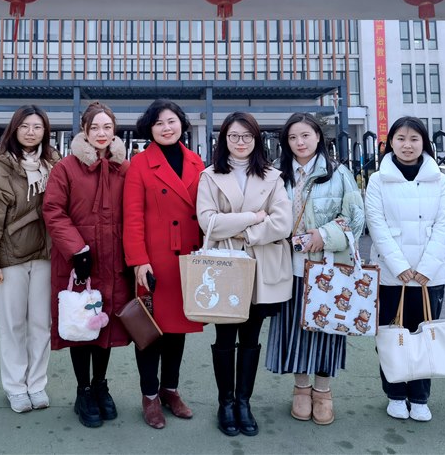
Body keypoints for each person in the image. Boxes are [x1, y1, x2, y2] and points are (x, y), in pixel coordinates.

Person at [265, 113, 365, 426]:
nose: (300, 142)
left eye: (306, 135)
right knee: (294, 329)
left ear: (318, 137)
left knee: (327, 328)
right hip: (287, 267)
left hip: (327, 267)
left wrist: (324, 235)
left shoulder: (338, 173)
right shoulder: (276, 174)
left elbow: (356, 218)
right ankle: (301, 387)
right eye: (293, 137)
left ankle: (323, 390)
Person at [196, 112, 292, 437]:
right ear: (224, 139)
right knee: (224, 337)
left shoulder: (273, 177)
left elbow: (283, 223)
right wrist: (253, 217)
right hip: (224, 266)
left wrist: (244, 232)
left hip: (261, 266)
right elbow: (207, 221)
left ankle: (243, 402)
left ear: (256, 139)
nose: (240, 142)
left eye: (247, 136)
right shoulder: (209, 176)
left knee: (251, 338)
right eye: (234, 136)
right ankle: (225, 403)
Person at [42, 102, 132, 428]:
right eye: (95, 127)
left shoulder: (124, 168)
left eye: (107, 127)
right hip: (79, 262)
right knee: (81, 324)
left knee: (104, 325)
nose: (101, 133)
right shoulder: (66, 168)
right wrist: (76, 249)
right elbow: (53, 210)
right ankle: (83, 389)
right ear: (84, 130)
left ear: (114, 130)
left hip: (113, 260)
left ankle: (100, 384)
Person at [123, 99, 206, 429]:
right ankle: (150, 396)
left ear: (181, 124)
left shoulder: (197, 161)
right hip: (154, 262)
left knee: (177, 330)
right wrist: (138, 261)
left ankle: (170, 390)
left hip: (188, 257)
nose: (166, 128)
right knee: (150, 331)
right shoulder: (140, 164)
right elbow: (132, 217)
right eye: (159, 123)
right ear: (150, 128)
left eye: (171, 121)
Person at [365, 116, 445, 422]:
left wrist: (427, 266)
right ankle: (394, 394)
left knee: (424, 333)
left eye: (414, 139)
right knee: (391, 334)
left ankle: (419, 397)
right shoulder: (378, 180)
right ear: (390, 142)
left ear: (424, 143)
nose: (407, 145)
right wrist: (399, 265)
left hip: (430, 273)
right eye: (400, 139)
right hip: (391, 272)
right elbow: (376, 224)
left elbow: (444, 223)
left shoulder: (438, 179)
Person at [0, 105, 60, 414]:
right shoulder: (0, 166)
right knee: (12, 325)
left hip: (46, 256)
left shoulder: (54, 163)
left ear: (45, 131)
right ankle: (15, 387)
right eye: (24, 126)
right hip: (10, 258)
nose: (31, 132)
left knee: (41, 324)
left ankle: (36, 383)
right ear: (14, 129)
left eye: (37, 127)